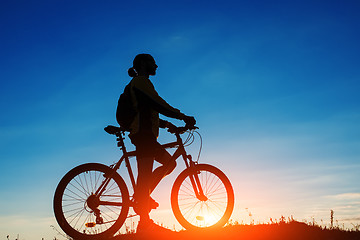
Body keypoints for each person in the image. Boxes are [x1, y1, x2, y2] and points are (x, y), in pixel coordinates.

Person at [120, 54, 196, 232]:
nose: (156, 65)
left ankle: (142, 195)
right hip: (143, 135)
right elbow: (157, 103)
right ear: (143, 64)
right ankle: (144, 221)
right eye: (153, 62)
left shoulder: (141, 83)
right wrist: (181, 116)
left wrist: (166, 124)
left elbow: (146, 110)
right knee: (145, 174)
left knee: (170, 164)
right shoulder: (140, 82)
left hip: (147, 135)